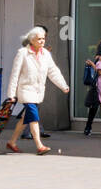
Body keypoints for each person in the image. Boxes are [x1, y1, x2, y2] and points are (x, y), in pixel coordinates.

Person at [4, 26, 69, 155]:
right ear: (32, 40)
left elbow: (53, 71)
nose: (42, 41)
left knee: (25, 118)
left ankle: (12, 142)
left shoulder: (45, 54)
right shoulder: (22, 53)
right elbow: (14, 74)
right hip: (26, 90)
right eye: (39, 39)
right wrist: (11, 94)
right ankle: (39, 145)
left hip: (38, 91)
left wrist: (63, 85)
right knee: (33, 115)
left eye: (43, 38)